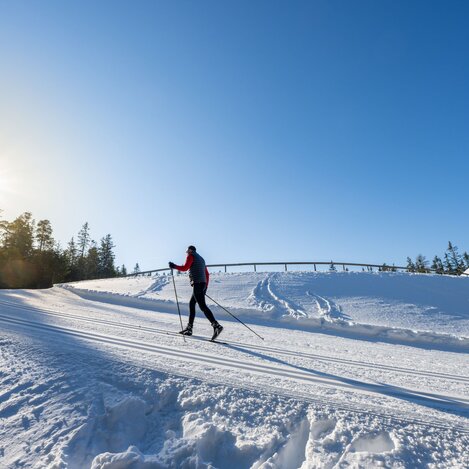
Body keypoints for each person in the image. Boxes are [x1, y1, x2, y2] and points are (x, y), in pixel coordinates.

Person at [169, 246, 223, 340]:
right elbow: (207, 274)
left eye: (187, 251)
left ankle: (216, 326)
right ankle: (189, 328)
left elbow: (185, 268)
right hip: (202, 284)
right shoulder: (201, 259)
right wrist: (205, 287)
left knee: (202, 306)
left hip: (197, 284)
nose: (186, 253)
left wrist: (174, 266)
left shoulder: (191, 256)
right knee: (192, 303)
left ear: (190, 250)